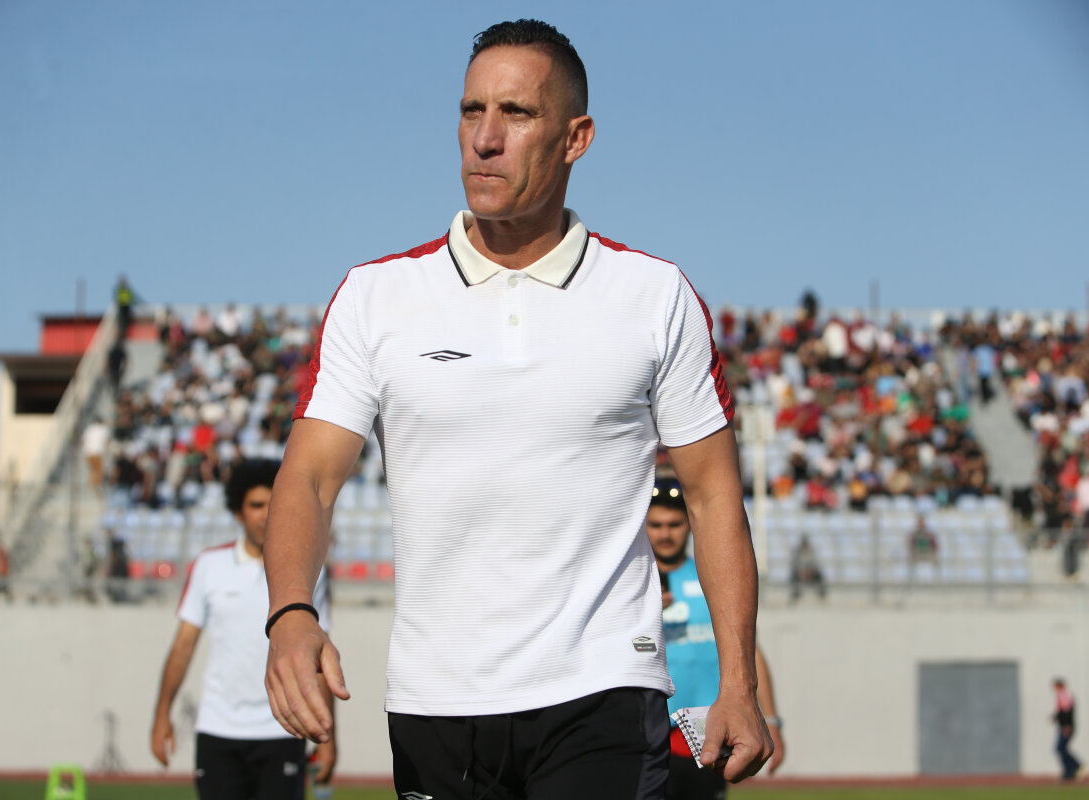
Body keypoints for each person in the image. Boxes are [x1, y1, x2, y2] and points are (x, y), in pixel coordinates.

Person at [263, 18, 771, 800]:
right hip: (435, 699)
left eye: (517, 113)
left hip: (604, 687)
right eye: (472, 111)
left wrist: (740, 680)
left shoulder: (654, 295)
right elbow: (308, 479)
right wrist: (291, 614)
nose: (485, 139)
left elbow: (712, 495)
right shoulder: (375, 297)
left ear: (576, 138)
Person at [150, 459, 335, 800]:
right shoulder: (209, 566)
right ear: (238, 512)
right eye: (256, 505)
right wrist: (162, 715)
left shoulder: (311, 572)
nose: (265, 515)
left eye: (273, 505)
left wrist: (327, 736)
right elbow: (183, 648)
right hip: (218, 730)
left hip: (283, 729)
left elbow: (319, 657)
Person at [648, 478, 785, 799]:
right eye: (656, 525)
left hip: (704, 734)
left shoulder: (712, 579)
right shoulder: (630, 585)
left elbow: (750, 653)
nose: (665, 534)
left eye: (674, 524)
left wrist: (772, 721)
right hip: (647, 733)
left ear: (689, 524)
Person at [1052, 678, 1081, 781]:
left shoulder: (1063, 694)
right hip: (1065, 726)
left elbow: (1067, 712)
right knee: (1061, 748)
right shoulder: (1063, 695)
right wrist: (1055, 717)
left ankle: (1074, 768)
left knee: (1060, 748)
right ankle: (1071, 770)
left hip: (1066, 726)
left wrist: (1067, 725)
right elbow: (1062, 711)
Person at [789, 534, 826, 602]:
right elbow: (794, 565)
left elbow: (815, 563)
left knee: (820, 576)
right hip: (800, 573)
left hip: (811, 573)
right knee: (793, 577)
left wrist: (811, 571)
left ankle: (822, 595)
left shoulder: (812, 551)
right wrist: (802, 572)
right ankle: (795, 594)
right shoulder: (796, 553)